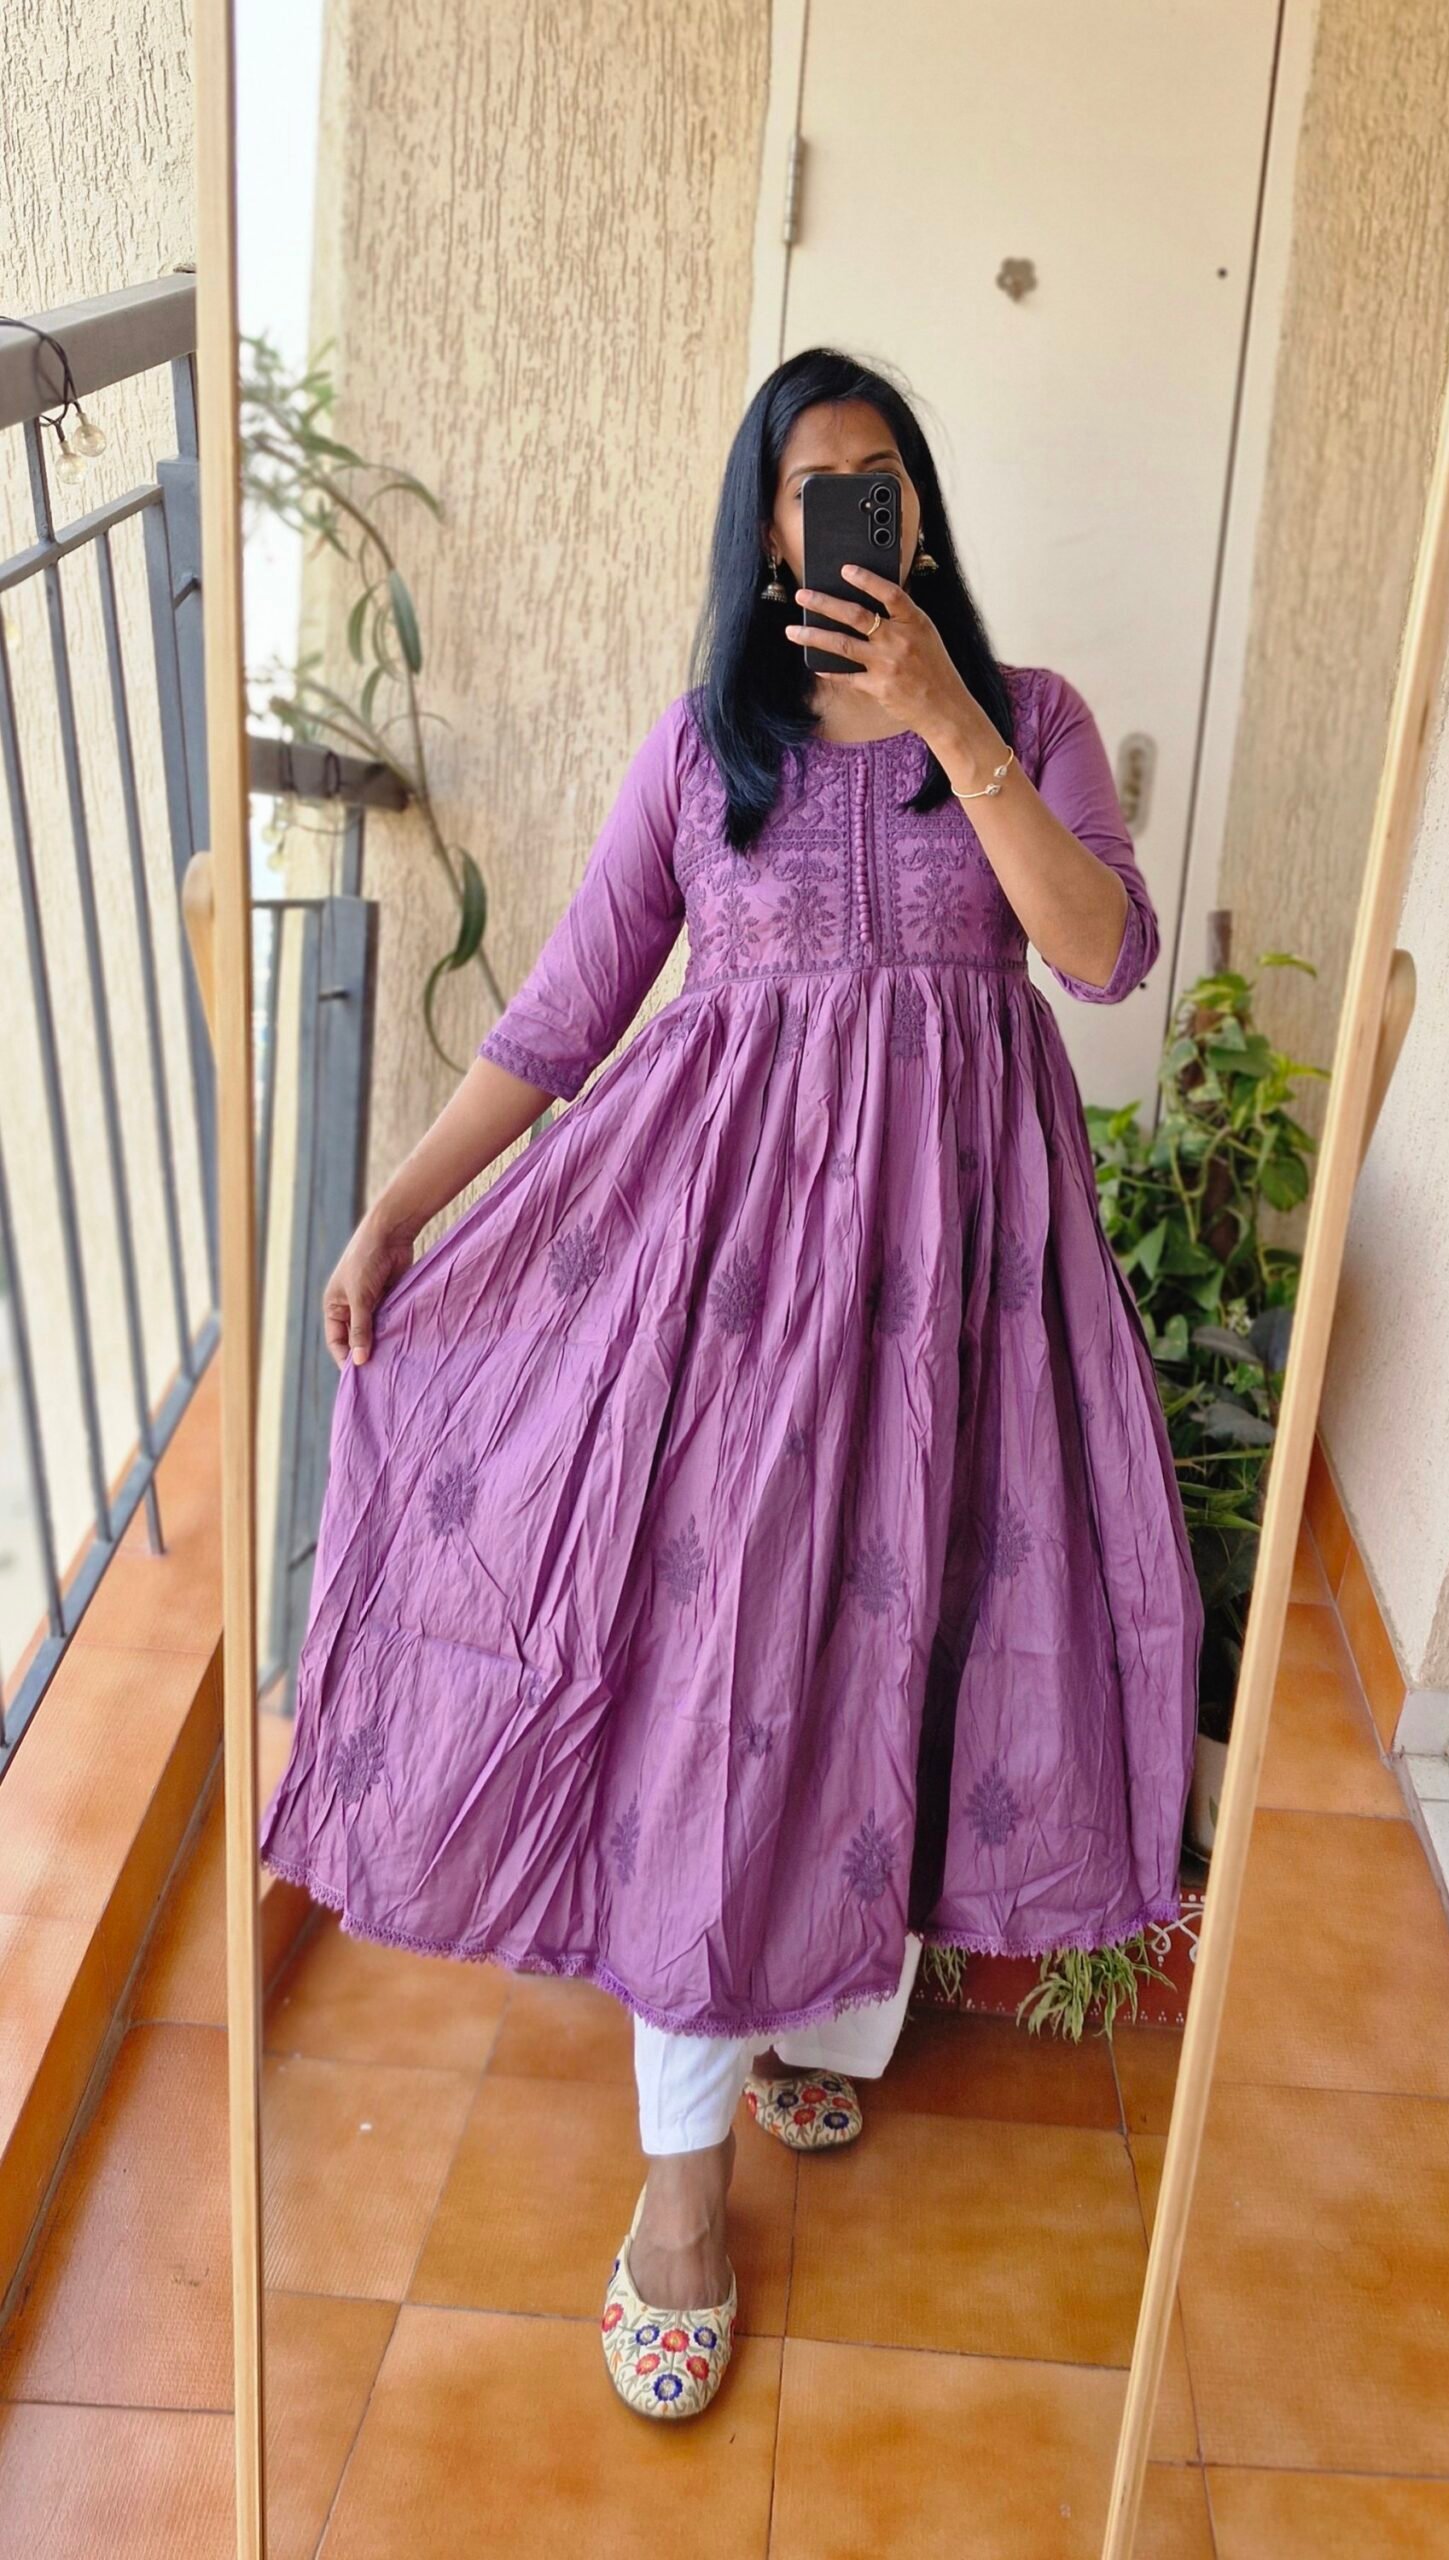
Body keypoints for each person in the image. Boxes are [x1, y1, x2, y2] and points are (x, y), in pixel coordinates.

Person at [258, 347, 1202, 2424]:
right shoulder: (708, 748)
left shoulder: (1030, 717)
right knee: (716, 1688)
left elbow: (1102, 951)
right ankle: (681, 2189)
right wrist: (399, 1209)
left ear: (919, 512)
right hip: (737, 1310)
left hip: (964, 1301)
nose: (851, 508)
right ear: (765, 531)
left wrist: (952, 719)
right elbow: (570, 1005)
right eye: (809, 485)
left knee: (909, 1653)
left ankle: (811, 2011)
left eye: (881, 477)